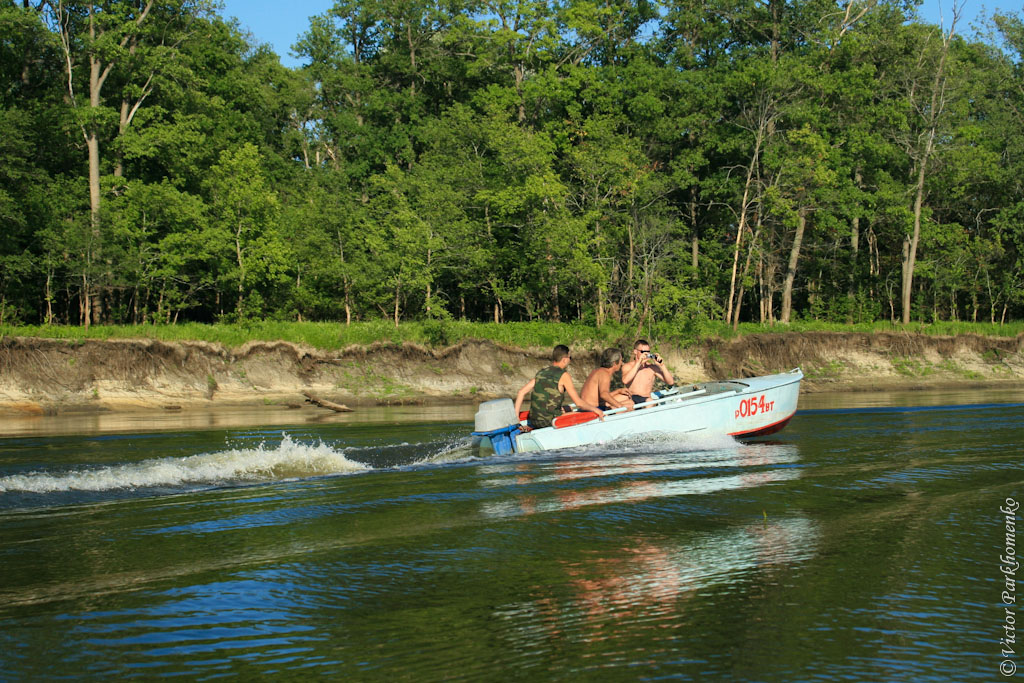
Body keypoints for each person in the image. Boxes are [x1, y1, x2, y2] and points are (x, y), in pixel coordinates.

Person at [514, 345, 604, 429]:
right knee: (584, 412)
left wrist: (516, 417)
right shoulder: (564, 375)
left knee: (567, 408)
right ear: (564, 360)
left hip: (534, 420)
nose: (570, 360)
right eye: (570, 357)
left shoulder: (541, 373)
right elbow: (578, 403)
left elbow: (521, 392)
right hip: (549, 421)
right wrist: (596, 410)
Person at [621, 339, 674, 405]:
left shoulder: (652, 367)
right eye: (643, 352)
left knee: (649, 401)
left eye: (648, 352)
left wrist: (662, 365)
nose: (646, 354)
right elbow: (625, 381)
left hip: (647, 401)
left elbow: (670, 382)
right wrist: (639, 363)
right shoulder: (628, 366)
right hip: (632, 400)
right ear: (635, 351)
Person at [581, 348, 634, 412]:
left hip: (589, 406)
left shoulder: (598, 371)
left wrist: (618, 391)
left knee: (625, 397)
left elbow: (599, 396)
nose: (622, 363)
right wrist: (620, 406)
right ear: (615, 363)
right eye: (621, 361)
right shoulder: (604, 374)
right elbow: (604, 395)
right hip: (593, 409)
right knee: (630, 404)